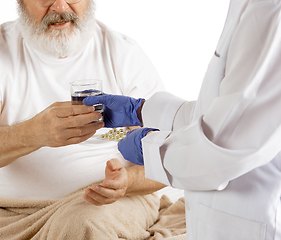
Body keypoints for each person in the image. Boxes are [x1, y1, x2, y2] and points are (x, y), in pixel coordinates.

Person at [0, 0, 172, 239]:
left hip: (102, 204)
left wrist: (127, 182)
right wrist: (37, 132)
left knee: (81, 227)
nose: (60, 7)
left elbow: (167, 157)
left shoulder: (122, 52)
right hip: (9, 211)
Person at [83, 0, 281, 239]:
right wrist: (142, 112)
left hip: (254, 222)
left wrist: (151, 148)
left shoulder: (270, 11)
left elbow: (227, 146)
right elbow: (223, 113)